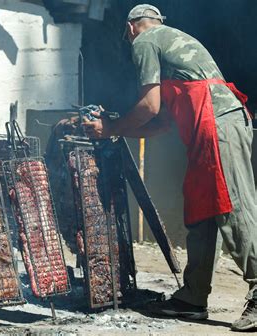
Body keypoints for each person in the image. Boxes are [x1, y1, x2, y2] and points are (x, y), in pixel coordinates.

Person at [82, 4, 257, 332]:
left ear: (131, 27)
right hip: (210, 126)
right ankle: (193, 298)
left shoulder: (146, 41)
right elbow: (159, 122)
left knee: (234, 209)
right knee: (202, 211)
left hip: (216, 122)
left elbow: (149, 105)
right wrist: (115, 124)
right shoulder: (173, 41)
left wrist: (109, 129)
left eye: (127, 34)